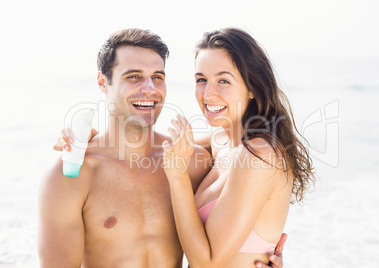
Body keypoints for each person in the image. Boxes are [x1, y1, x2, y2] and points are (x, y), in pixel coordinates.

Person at [42, 28, 285, 267]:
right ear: (103, 82)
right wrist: (84, 137)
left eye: (157, 77)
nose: (149, 88)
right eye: (134, 76)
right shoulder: (73, 173)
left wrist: (264, 253)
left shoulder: (191, 163)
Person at [161, 28, 314, 267]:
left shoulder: (258, 154)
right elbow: (157, 146)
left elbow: (207, 262)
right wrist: (93, 137)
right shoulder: (222, 142)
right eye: (201, 79)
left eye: (223, 80)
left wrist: (178, 177)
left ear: (253, 87)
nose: (208, 94)